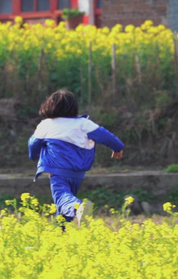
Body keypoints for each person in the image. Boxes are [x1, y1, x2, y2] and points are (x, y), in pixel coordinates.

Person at [28, 90, 124, 226]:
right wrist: (118, 147)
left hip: (57, 171)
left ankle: (77, 207)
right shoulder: (84, 124)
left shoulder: (46, 124)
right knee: (63, 208)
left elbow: (33, 144)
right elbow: (106, 136)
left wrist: (33, 156)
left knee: (62, 198)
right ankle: (59, 234)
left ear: (49, 106)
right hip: (77, 173)